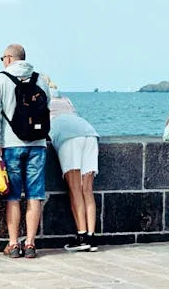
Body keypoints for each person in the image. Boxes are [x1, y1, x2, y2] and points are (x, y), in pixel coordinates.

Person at [0, 44, 50, 259]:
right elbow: (47, 107)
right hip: (38, 144)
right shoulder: (40, 79)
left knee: (12, 196)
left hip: (11, 145)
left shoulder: (0, 79)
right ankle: (31, 244)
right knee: (35, 195)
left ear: (9, 58)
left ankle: (14, 244)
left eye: (3, 57)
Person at [43, 75, 100, 252]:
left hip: (68, 137)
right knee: (87, 190)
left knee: (75, 189)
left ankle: (81, 237)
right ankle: (92, 238)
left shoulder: (41, 98)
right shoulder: (65, 99)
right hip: (89, 133)